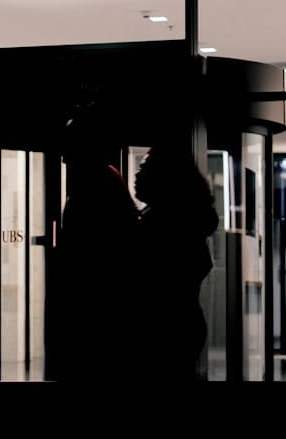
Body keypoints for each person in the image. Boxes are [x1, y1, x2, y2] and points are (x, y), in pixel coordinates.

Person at [54, 104, 140, 382]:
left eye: (70, 148)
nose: (65, 157)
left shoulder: (94, 190)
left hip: (95, 312)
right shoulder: (107, 183)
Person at [133, 143, 219, 381]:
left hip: (164, 330)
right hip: (182, 325)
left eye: (144, 167)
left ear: (165, 176)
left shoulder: (166, 224)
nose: (136, 173)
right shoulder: (183, 221)